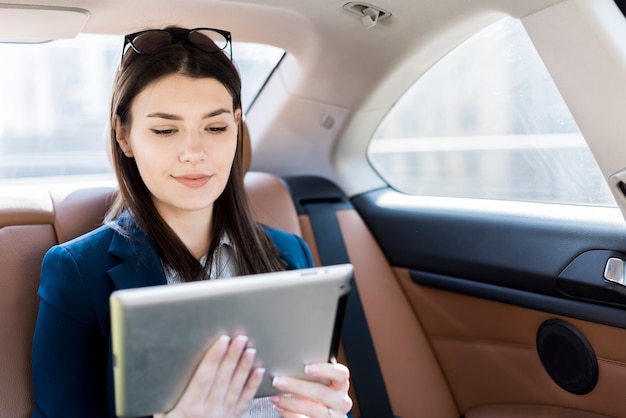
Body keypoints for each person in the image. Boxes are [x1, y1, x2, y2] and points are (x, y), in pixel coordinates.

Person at [31, 26, 353, 418]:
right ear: (124, 135)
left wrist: (331, 413)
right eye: (165, 130)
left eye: (216, 127)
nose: (194, 153)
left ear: (237, 127)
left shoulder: (289, 253)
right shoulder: (78, 273)